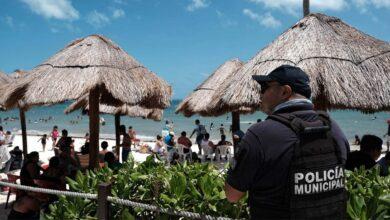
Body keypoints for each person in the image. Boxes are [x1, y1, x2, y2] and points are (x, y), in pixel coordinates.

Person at [225, 65, 349, 219]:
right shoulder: (332, 128)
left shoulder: (260, 134)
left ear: (285, 91)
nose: (260, 94)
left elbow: (232, 195)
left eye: (264, 87)